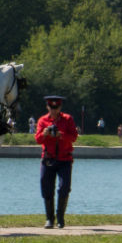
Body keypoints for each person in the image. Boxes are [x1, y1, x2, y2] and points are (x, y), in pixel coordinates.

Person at [35, 94, 78, 229]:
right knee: (46, 187)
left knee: (64, 187)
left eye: (56, 107)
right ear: (47, 106)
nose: (54, 110)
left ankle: (60, 218)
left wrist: (61, 135)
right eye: (51, 107)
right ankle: (49, 218)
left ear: (60, 107)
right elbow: (38, 139)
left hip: (64, 159)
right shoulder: (42, 120)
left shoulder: (68, 119)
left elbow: (74, 137)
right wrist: (45, 133)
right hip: (48, 159)